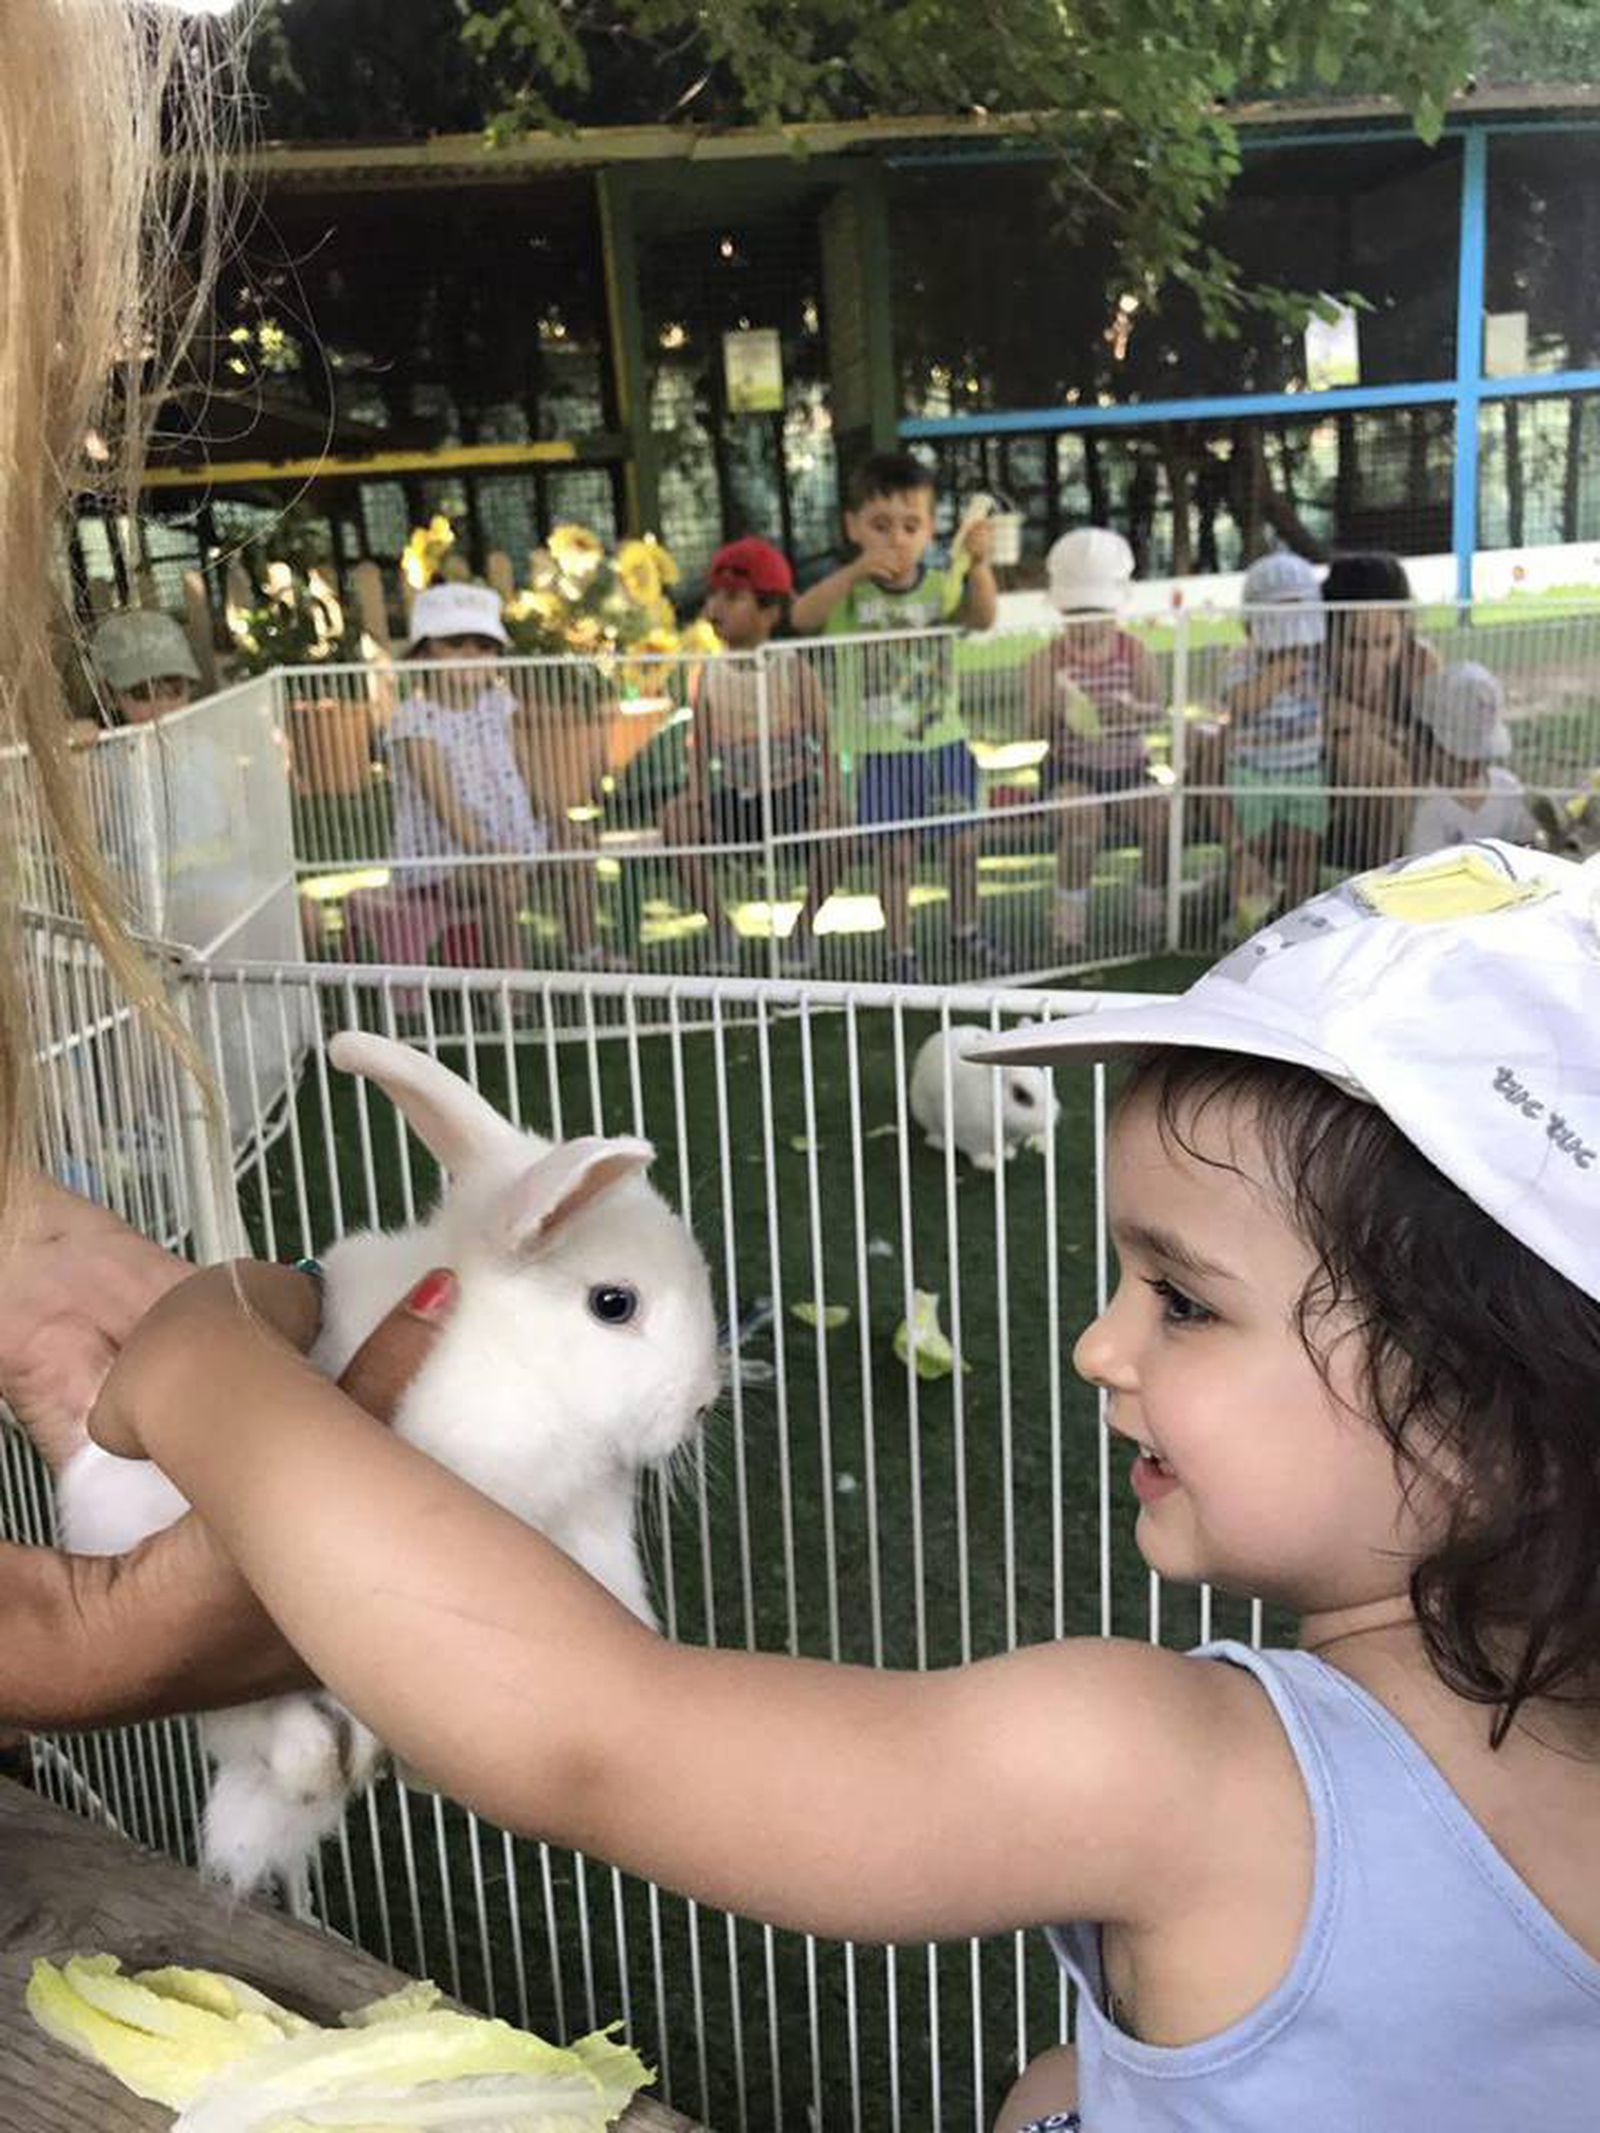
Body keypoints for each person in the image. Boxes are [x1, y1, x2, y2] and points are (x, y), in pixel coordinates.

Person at [32, 839, 1599, 2133]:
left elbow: (596, 1727)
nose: (1097, 1344)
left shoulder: (1174, 1775)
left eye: (1183, 1302)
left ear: (1495, 1398)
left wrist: (216, 1370)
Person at [789, 452, 998, 981]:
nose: (897, 539)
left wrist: (980, 565)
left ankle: (967, 929)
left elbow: (982, 616)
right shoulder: (848, 595)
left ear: (930, 530)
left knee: (964, 844)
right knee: (895, 855)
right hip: (879, 751)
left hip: (943, 742)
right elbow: (801, 617)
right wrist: (856, 570)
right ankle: (899, 951)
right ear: (852, 526)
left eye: (911, 526)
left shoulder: (940, 587)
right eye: (880, 526)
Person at [658, 537, 845, 974]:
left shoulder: (793, 668)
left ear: (770, 611)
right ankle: (721, 930)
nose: (716, 607)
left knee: (841, 826)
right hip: (737, 799)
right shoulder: (707, 673)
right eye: (714, 595)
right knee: (674, 821)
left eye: (734, 597)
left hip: (793, 797)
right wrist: (695, 796)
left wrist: (832, 793)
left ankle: (803, 928)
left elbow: (826, 739)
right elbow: (700, 747)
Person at [388, 581, 574, 969]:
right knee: (499, 878)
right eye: (456, 644)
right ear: (424, 654)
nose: (472, 655)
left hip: (515, 839)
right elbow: (445, 805)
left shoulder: (497, 704)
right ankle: (509, 981)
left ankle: (585, 954)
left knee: (580, 851)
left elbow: (528, 768)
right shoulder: (414, 720)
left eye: (484, 646)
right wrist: (484, 851)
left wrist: (560, 822)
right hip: (445, 858)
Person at [1023, 529, 1166, 951]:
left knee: (1161, 817)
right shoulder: (1045, 659)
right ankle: (1069, 927)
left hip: (1129, 768)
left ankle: (1151, 913)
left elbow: (1156, 710)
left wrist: (1132, 712)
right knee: (1084, 819)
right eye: (1076, 616)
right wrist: (1057, 709)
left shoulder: (1135, 652)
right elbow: (1032, 732)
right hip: (1071, 770)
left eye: (1096, 615)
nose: (1085, 628)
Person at [1220, 550, 1329, 930]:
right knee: (1257, 846)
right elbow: (1241, 704)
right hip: (1254, 773)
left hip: (1305, 771)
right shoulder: (1242, 661)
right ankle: (1250, 916)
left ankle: (1299, 918)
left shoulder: (1319, 661)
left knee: (1304, 846)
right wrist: (1281, 671)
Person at [1321, 551, 1440, 868]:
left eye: (1385, 643)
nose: (1369, 666)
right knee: (1369, 757)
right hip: (1316, 796)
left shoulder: (1422, 663)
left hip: (1403, 817)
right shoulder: (1306, 661)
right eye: (1354, 645)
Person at [1406, 661, 1535, 856]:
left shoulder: (1508, 790)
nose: (1474, 763)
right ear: (1423, 742)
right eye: (1460, 758)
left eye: (1482, 754)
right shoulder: (1426, 807)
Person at [81, 609, 201, 738]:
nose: (163, 709)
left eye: (175, 691)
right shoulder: (101, 751)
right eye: (143, 693)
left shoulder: (210, 739)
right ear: (109, 695)